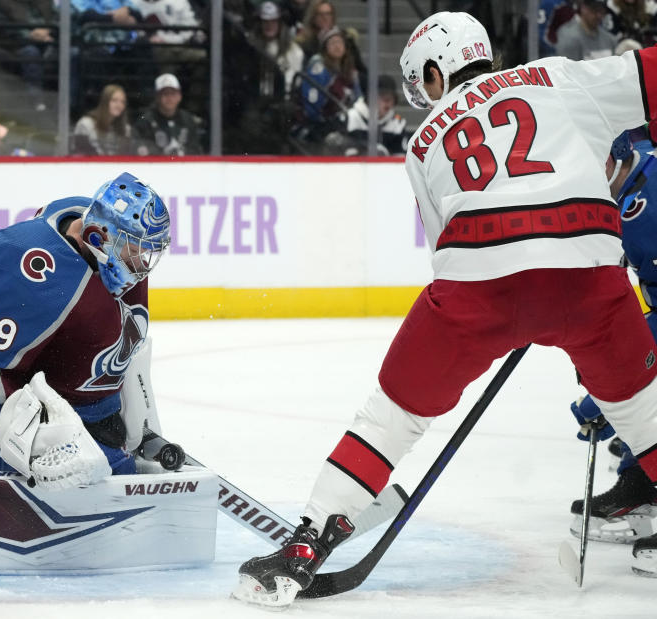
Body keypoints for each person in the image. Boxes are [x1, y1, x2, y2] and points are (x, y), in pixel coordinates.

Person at [233, 11, 657, 606]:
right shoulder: (558, 76)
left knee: (392, 415)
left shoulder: (424, 139)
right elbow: (649, 76)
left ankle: (305, 545)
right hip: (586, 269)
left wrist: (513, 309)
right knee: (646, 416)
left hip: (480, 281)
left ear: (438, 71)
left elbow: (448, 249)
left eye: (423, 83)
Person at [0, 172, 171, 486]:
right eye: (134, 248)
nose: (141, 261)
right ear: (97, 236)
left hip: (86, 410)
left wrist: (139, 422)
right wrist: (32, 441)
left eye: (146, 250)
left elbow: (123, 346)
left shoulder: (102, 241)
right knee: (103, 499)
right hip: (19, 415)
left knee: (121, 483)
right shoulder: (28, 266)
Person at [565, 128, 657, 577]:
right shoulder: (633, 185)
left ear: (609, 160)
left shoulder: (647, 203)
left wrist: (610, 391)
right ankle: (642, 487)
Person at [325, 74, 409, 156]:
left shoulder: (398, 124)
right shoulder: (349, 118)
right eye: (384, 97)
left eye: (391, 98)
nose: (389, 103)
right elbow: (331, 144)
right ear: (370, 98)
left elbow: (401, 157)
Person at [133, 73, 204, 156]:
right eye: (165, 94)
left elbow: (195, 150)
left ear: (179, 96)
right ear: (157, 97)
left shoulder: (188, 120)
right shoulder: (145, 122)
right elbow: (142, 150)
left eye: (173, 93)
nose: (169, 98)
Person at [72, 83, 133, 155]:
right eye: (114, 100)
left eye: (123, 102)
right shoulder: (86, 124)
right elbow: (80, 154)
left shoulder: (126, 129)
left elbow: (125, 157)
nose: (119, 105)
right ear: (105, 102)